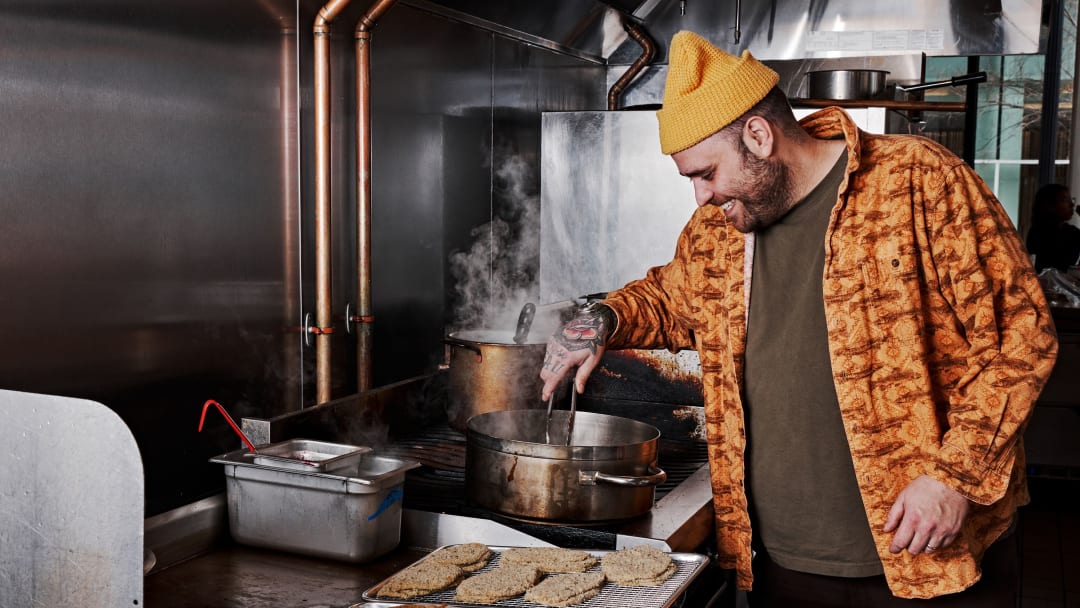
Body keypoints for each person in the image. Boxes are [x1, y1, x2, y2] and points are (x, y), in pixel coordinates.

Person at [539, 31, 1057, 606]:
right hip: (782, 565)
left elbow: (1021, 334)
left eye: (706, 173)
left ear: (759, 136)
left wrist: (956, 477)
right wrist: (604, 318)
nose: (700, 196)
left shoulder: (918, 182)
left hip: (930, 556)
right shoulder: (719, 231)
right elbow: (669, 297)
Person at [1026, 183, 1080, 272]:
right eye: (1065, 200)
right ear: (1049, 205)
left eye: (1072, 200)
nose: (1072, 205)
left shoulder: (1071, 231)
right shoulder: (1039, 233)